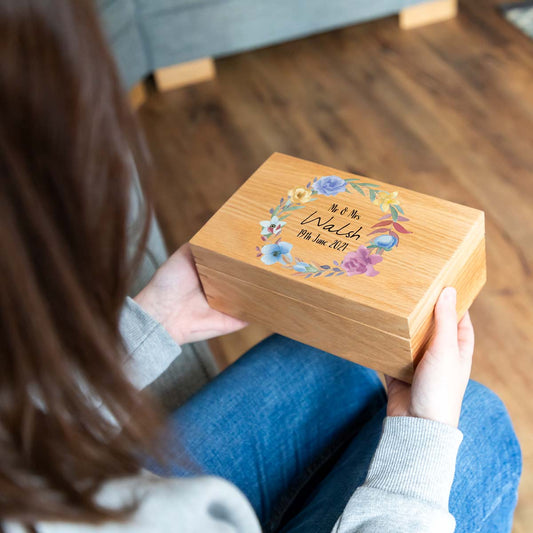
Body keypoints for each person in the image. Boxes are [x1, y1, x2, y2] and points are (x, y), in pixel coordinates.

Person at [0, 1, 521, 532]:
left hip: (67, 480)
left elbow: (17, 433)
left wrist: (151, 321)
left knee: (333, 354)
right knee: (476, 420)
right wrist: (422, 430)